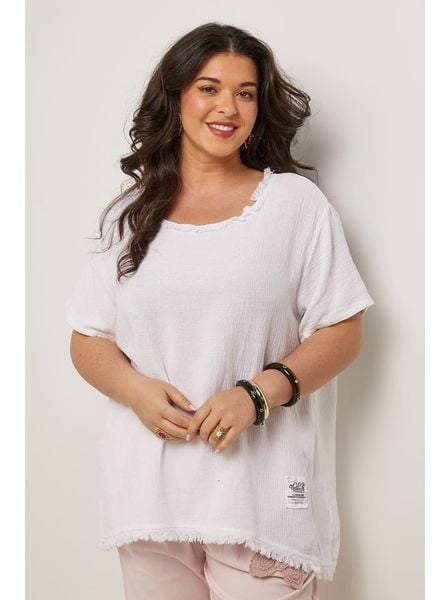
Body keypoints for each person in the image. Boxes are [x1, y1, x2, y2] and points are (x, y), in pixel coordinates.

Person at [66, 22, 375, 600]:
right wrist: (135, 390)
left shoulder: (294, 205)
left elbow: (343, 329)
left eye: (245, 93)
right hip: (151, 499)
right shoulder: (131, 214)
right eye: (209, 88)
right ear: (176, 96)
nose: (228, 107)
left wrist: (256, 395)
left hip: (258, 502)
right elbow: (88, 337)